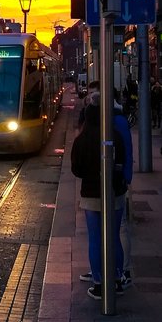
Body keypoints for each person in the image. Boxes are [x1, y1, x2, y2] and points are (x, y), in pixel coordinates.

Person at [71, 98, 127, 300]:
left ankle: (98, 283)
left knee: (95, 239)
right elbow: (122, 162)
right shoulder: (116, 136)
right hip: (115, 194)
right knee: (113, 237)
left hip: (91, 195)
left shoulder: (82, 139)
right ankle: (118, 279)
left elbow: (76, 169)